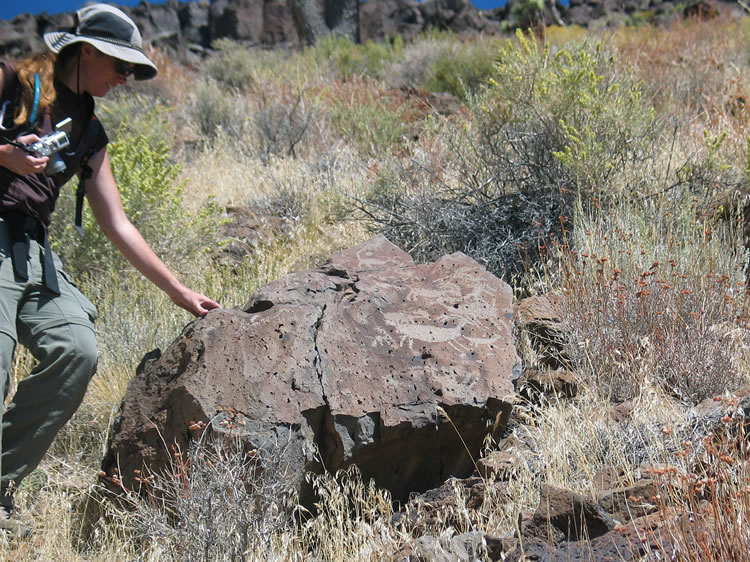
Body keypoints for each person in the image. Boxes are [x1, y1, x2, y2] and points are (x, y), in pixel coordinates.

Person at [0, 4, 220, 534]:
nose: (125, 79)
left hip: (31, 252)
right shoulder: (14, 82)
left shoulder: (89, 133)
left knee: (77, 349)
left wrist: (178, 291)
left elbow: (118, 224)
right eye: (121, 67)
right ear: (91, 52)